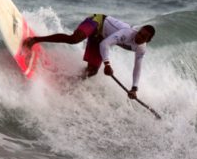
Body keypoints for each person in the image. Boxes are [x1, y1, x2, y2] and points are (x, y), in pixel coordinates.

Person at [23, 14, 155, 99]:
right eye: (140, 33)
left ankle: (66, 85)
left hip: (100, 38)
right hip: (97, 22)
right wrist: (107, 64)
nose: (139, 37)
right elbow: (105, 45)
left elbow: (137, 68)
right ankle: (35, 40)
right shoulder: (127, 33)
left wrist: (134, 88)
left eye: (143, 37)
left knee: (92, 71)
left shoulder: (141, 49)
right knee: (74, 39)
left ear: (148, 41)